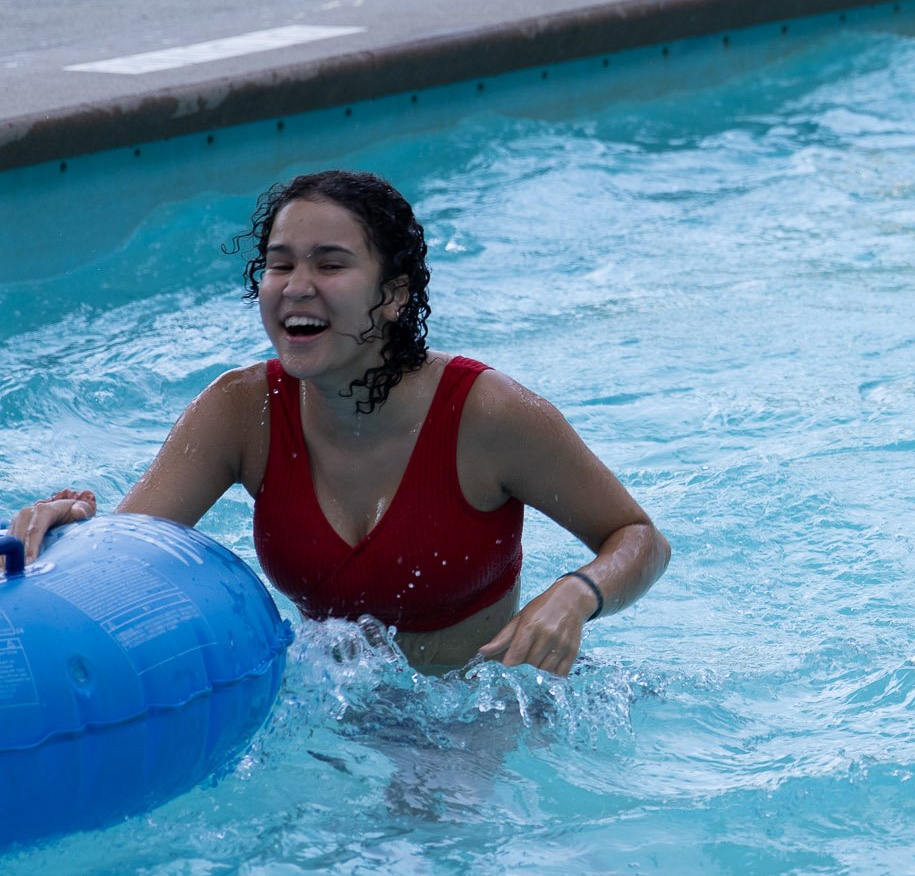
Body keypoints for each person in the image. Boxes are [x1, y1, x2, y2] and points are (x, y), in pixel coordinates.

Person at [10, 170, 669, 677]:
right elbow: (127, 557)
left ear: (395, 295)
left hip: (483, 712)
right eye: (279, 263)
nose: (296, 285)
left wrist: (578, 593)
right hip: (335, 712)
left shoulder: (486, 414)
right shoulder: (241, 412)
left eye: (330, 264)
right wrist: (72, 532)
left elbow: (639, 538)